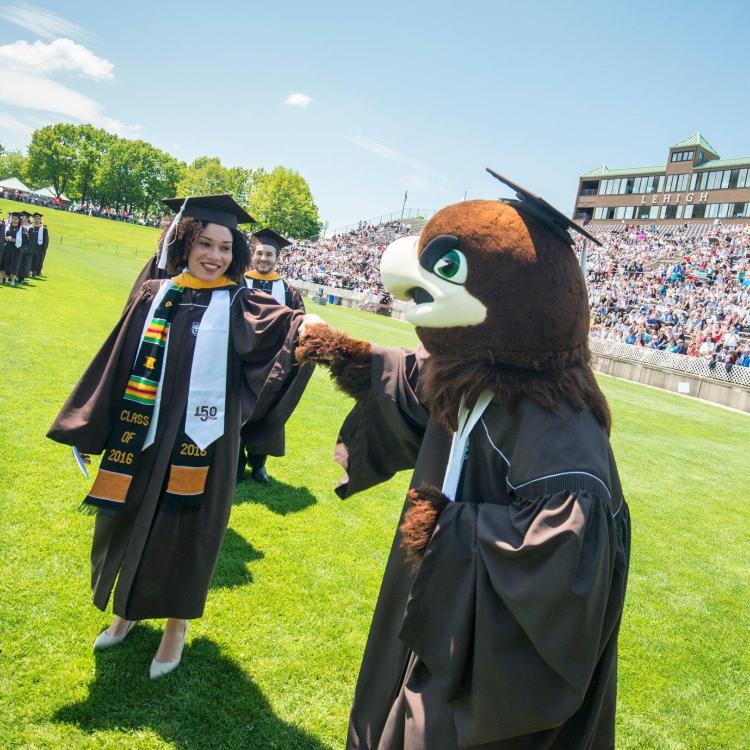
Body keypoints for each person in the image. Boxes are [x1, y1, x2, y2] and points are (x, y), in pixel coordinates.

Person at [299, 180, 630, 748]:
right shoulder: (481, 378)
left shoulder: (561, 432)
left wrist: (445, 529)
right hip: (440, 610)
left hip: (482, 666)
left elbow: (554, 579)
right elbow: (420, 382)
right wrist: (350, 353)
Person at [47, 195, 320, 679]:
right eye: (204, 244)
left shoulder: (240, 300)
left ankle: (176, 628)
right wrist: (92, 424)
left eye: (224, 247)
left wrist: (313, 327)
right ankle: (126, 610)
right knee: (131, 517)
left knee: (188, 531)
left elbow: (288, 330)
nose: (214, 256)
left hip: (205, 441)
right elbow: (118, 359)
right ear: (185, 241)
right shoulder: (156, 293)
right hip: (145, 435)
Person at [237, 228, 306, 483]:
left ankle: (258, 465)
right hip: (240, 362)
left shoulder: (288, 291)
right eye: (259, 253)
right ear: (252, 255)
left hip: (273, 365)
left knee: (267, 413)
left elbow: (300, 324)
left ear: (277, 258)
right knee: (237, 412)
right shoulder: (239, 282)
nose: (263, 258)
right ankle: (235, 463)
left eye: (269, 254)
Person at [1, 212, 26, 286]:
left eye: (16, 218)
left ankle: (12, 281)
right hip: (6, 248)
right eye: (13, 218)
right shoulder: (7, 226)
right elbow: (2, 236)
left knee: (14, 265)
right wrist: (5, 238)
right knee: (4, 263)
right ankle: (1, 279)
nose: (14, 220)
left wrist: (15, 240)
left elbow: (27, 239)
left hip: (16, 250)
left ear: (19, 220)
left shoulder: (23, 229)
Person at [29, 212, 50, 277]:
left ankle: (36, 272)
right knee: (30, 259)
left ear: (40, 220)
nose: (36, 220)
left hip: (40, 248)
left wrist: (44, 249)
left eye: (38, 219)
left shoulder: (44, 229)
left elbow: (46, 240)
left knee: (38, 260)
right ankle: (29, 271)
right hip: (31, 247)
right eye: (35, 218)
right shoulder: (30, 227)